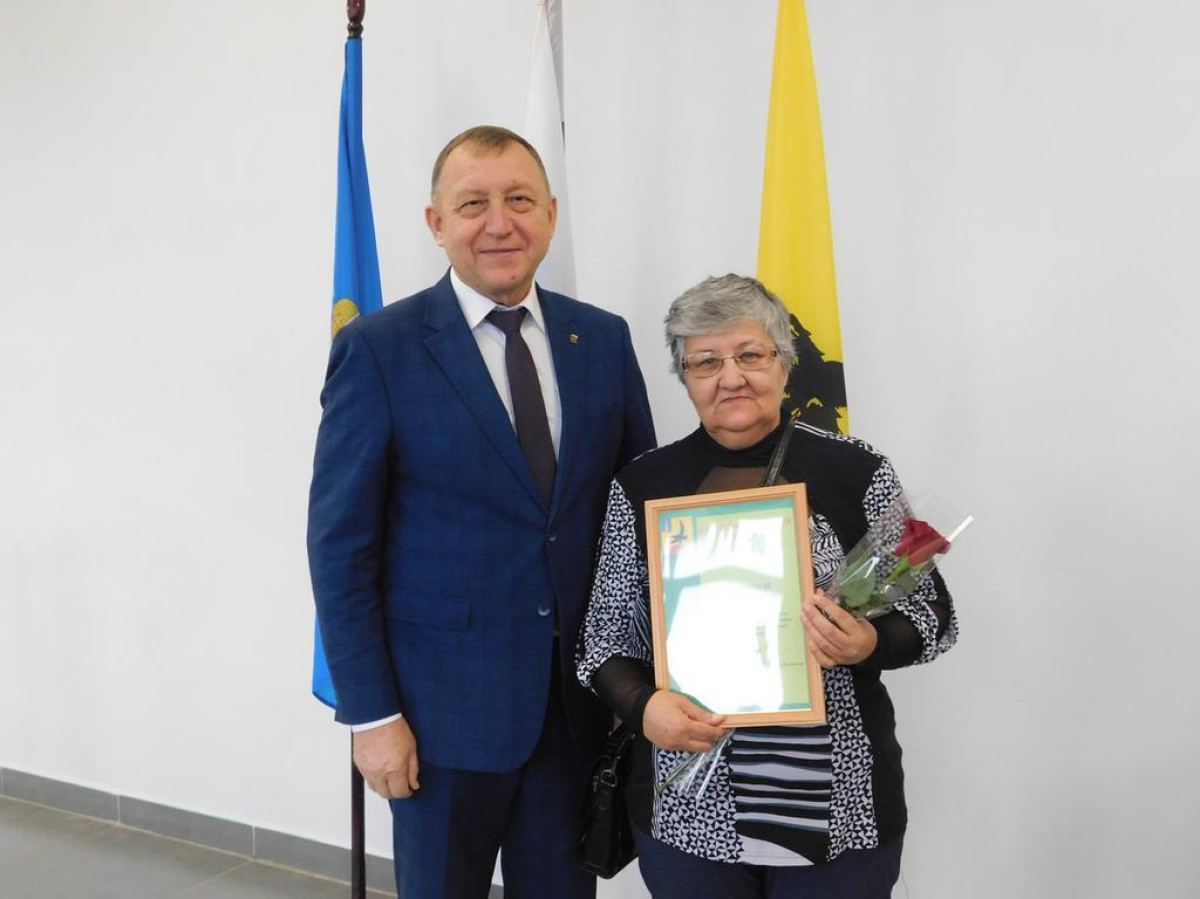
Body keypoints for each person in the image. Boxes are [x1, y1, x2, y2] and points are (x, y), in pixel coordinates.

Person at [308, 125, 656, 898]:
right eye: (474, 204)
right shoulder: (380, 349)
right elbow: (340, 547)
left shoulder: (602, 339)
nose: (500, 223)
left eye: (519, 199)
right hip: (437, 722)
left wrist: (645, 681)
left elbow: (636, 522)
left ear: (551, 213)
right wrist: (371, 715)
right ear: (437, 223)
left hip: (577, 712)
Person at [576, 274, 958, 898]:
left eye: (750, 355)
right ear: (684, 377)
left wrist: (867, 643)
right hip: (691, 813)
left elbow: (935, 616)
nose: (730, 378)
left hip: (839, 811)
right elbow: (603, 643)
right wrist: (644, 708)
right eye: (706, 362)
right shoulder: (644, 484)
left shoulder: (856, 470)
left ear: (784, 363)